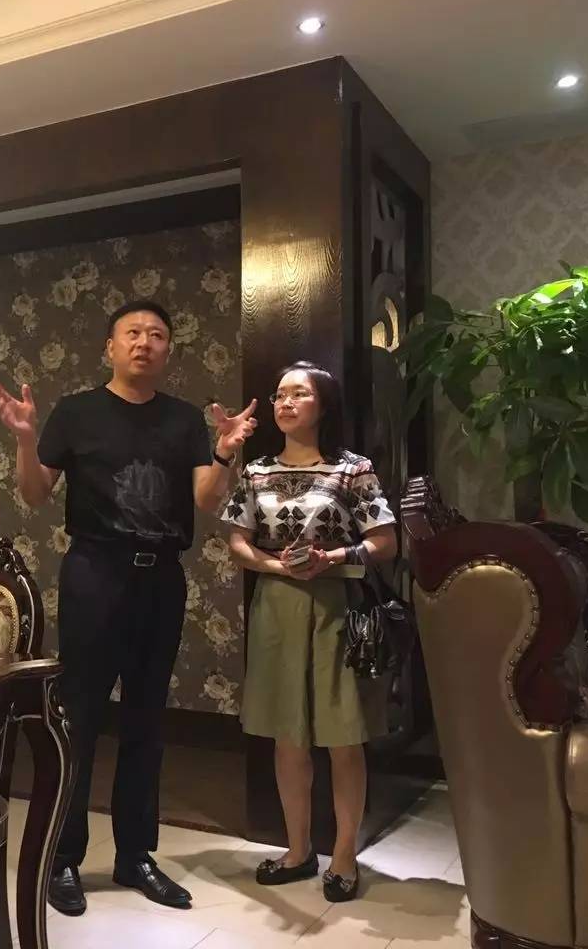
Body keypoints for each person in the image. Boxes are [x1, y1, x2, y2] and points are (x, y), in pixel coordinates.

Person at [0, 300, 257, 916]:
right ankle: (61, 857)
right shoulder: (76, 412)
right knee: (79, 717)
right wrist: (26, 439)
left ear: (168, 350)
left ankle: (136, 855)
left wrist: (225, 452)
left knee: (146, 720)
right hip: (95, 573)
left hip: (160, 578)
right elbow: (35, 493)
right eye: (132, 333)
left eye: (157, 334)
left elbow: (207, 500)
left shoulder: (184, 419)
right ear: (110, 347)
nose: (144, 342)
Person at [221, 361, 397, 903]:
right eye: (280, 395)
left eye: (299, 394)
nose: (286, 403)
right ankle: (298, 850)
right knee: (287, 735)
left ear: (324, 406)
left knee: (344, 737)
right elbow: (236, 539)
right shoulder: (256, 471)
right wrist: (274, 565)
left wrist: (332, 557)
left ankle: (343, 855)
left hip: (337, 606)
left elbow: (386, 541)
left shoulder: (352, 469)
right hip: (276, 607)